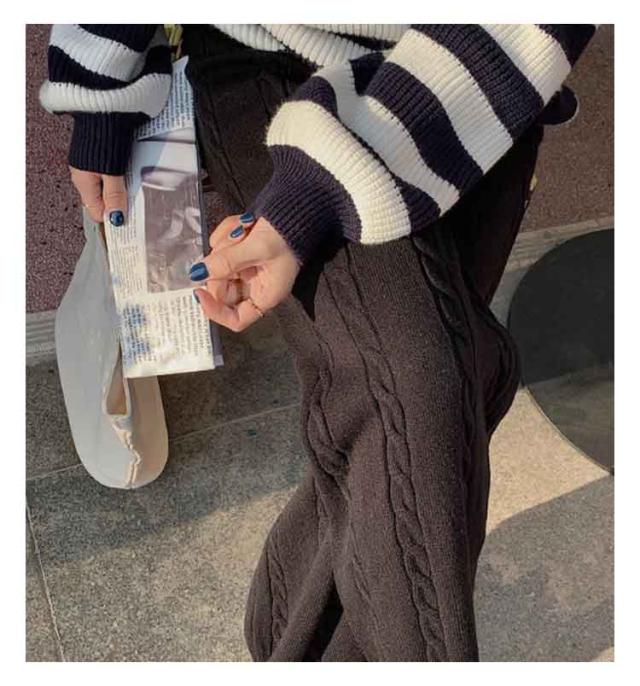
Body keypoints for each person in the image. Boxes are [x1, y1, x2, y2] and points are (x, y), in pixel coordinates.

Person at [40, 24, 596, 661]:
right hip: (277, 61)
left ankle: (283, 628)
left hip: (484, 78)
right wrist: (100, 85)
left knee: (440, 401)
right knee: (418, 390)